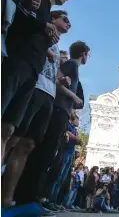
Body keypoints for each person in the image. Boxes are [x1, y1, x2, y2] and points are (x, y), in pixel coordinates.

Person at [1, 10, 71, 208]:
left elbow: (53, 69)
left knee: (28, 145)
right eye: (65, 19)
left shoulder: (56, 45)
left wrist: (61, 78)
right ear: (52, 19)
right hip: (35, 89)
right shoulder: (40, 32)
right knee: (11, 138)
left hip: (48, 95)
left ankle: (7, 198)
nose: (68, 24)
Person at [1, 0, 75, 163]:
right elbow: (18, 14)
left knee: (8, 129)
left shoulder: (45, 11)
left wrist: (46, 46)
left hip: (32, 71)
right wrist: (42, 25)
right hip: (18, 61)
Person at [13, 40, 90, 206]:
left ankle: (33, 196)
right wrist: (73, 96)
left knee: (48, 153)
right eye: (87, 54)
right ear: (83, 54)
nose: (88, 57)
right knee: (45, 151)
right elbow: (57, 80)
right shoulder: (70, 64)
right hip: (58, 109)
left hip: (62, 110)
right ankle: (27, 196)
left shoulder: (74, 68)